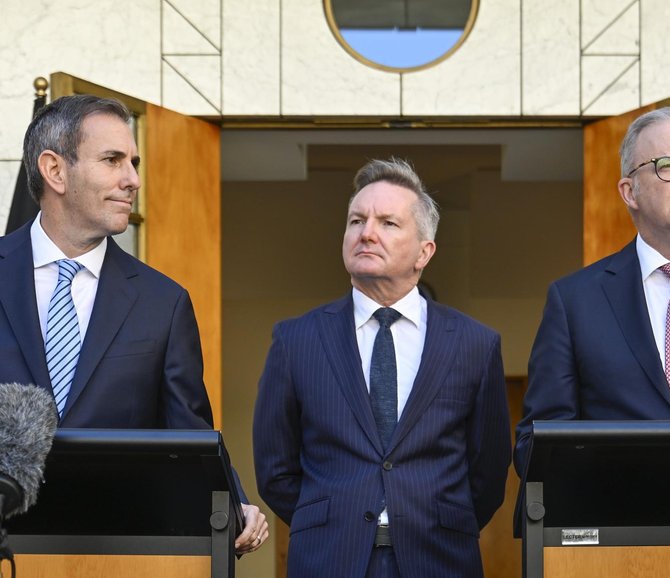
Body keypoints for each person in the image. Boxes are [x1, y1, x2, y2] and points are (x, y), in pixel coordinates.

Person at [0, 94, 268, 554]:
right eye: (112, 160)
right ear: (55, 170)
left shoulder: (163, 303)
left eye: (134, 162)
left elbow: (189, 435)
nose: (133, 180)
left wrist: (236, 507)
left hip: (113, 550)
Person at [253, 158, 511, 578]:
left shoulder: (475, 344)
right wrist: (332, 523)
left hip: (439, 560)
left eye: (388, 223)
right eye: (357, 220)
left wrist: (438, 524)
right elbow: (275, 469)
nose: (366, 233)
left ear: (424, 251)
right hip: (327, 561)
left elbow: (488, 470)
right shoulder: (295, 340)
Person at [514, 106, 670, 525]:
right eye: (668, 165)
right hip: (619, 543)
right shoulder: (574, 300)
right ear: (629, 191)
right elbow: (537, 443)